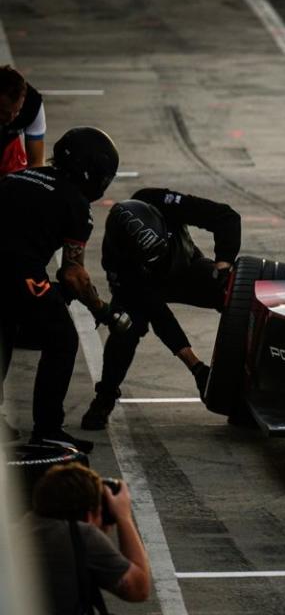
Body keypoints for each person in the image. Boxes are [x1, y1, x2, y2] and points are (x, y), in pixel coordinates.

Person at [0, 127, 126, 453]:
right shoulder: (76, 204)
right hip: (17, 271)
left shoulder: (21, 176)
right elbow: (73, 274)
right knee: (62, 337)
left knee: (6, 328)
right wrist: (102, 309)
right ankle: (48, 429)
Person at [81, 189, 241, 430]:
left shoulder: (162, 202)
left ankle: (250, 384)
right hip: (144, 286)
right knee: (125, 328)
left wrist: (223, 267)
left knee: (236, 293)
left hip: (186, 267)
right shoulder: (118, 262)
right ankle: (105, 397)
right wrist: (196, 367)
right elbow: (159, 315)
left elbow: (226, 217)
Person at [25, 463, 150, 613]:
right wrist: (124, 517)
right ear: (89, 515)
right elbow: (139, 589)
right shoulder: (81, 535)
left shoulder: (23, 526)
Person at [0, 65, 46, 176]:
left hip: (8, 147)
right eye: (4, 113)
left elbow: (36, 164)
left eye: (17, 111)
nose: (11, 118)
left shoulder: (32, 105)